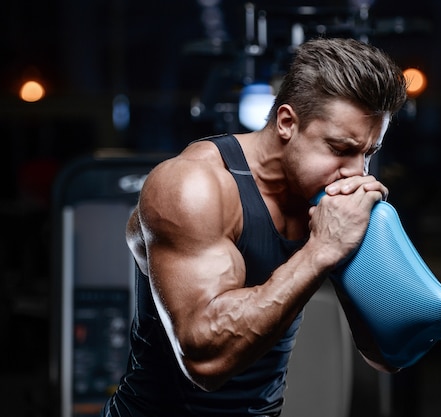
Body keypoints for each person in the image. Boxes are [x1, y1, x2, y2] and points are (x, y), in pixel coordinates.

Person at [101, 37, 407, 417]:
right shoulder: (193, 187)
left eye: (368, 154)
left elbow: (386, 355)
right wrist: (320, 251)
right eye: (341, 149)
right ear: (286, 122)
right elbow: (205, 364)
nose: (356, 173)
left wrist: (373, 250)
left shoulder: (326, 201)